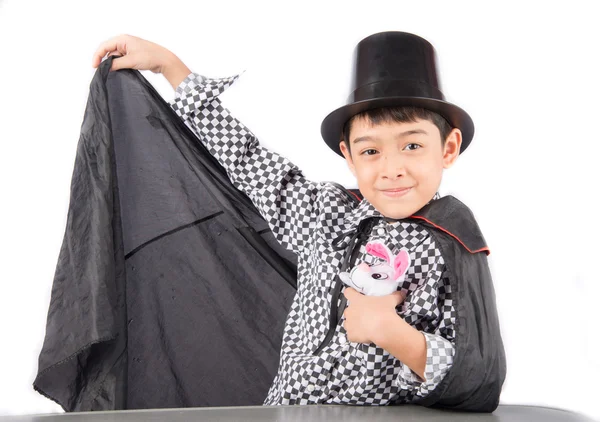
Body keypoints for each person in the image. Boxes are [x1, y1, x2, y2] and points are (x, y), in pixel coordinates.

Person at [91, 32, 505, 410]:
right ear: (348, 156)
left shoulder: (451, 240)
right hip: (286, 411)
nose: (391, 169)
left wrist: (393, 334)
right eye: (371, 151)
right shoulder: (322, 213)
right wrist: (172, 70)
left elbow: (477, 373)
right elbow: (249, 160)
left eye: (412, 145)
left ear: (448, 149)